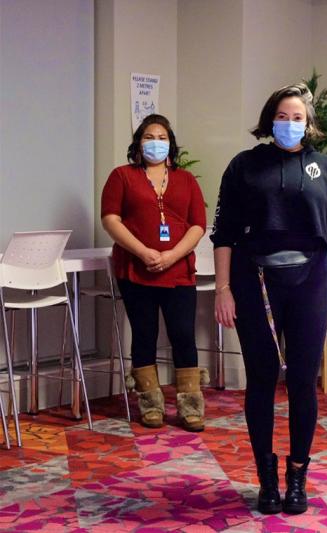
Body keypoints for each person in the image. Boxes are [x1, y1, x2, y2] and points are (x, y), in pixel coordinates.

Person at [211, 83, 327, 516]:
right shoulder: (244, 166)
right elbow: (224, 234)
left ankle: (297, 476)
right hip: (254, 280)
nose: (289, 124)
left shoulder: (325, 168)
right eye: (282, 116)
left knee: (302, 381)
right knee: (261, 377)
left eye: (298, 118)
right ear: (269, 119)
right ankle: (266, 478)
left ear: (309, 124)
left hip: (311, 280)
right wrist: (223, 289)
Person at [101, 113, 207, 432]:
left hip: (178, 271)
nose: (156, 143)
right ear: (138, 143)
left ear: (171, 145)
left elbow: (197, 225)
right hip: (136, 270)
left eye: (162, 138)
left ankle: (190, 407)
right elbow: (110, 220)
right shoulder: (121, 176)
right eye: (149, 137)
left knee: (183, 335)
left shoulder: (186, 180)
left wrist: (172, 254)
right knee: (144, 335)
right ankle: (150, 405)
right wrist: (144, 252)